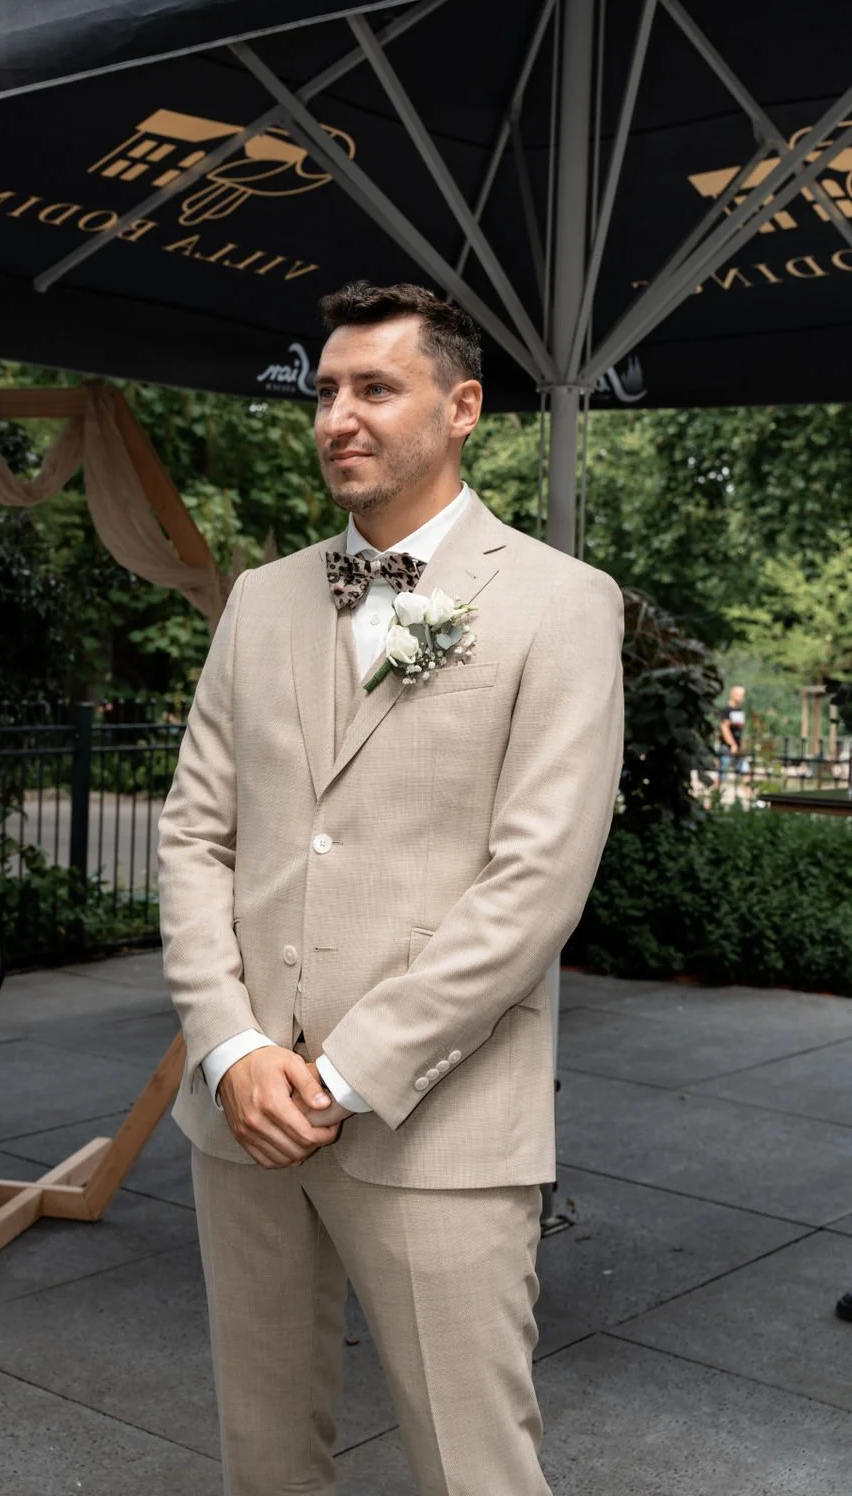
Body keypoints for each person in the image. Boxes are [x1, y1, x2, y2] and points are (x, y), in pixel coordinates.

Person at [158, 280, 625, 1496]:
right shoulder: (257, 603)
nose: (336, 417)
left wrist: (348, 1068)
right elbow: (194, 839)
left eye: (374, 387)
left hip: (440, 1121)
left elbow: (535, 883)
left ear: (462, 406)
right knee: (262, 1458)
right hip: (242, 1116)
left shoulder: (560, 604)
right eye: (323, 390)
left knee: (475, 1470)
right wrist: (229, 1046)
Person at [717, 683, 748, 787]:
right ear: (732, 695)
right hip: (727, 747)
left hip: (738, 747)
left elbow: (740, 731)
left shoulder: (740, 711)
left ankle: (754, 800)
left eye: (742, 695)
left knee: (745, 773)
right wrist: (732, 744)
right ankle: (711, 799)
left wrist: (741, 746)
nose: (741, 698)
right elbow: (724, 728)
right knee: (722, 775)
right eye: (739, 695)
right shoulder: (727, 710)